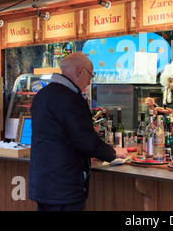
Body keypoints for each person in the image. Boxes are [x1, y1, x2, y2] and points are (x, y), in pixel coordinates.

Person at [28, 52, 127, 211]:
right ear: (79, 71)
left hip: (42, 181)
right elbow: (85, 140)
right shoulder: (70, 99)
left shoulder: (43, 94)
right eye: (90, 75)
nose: (89, 81)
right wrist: (113, 153)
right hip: (63, 185)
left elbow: (60, 135)